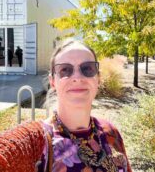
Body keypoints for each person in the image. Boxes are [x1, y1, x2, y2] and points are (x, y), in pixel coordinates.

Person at [37, 39, 132, 172]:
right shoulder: (37, 144)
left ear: (98, 79)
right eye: (65, 70)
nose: (77, 77)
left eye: (87, 68)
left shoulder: (111, 132)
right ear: (52, 82)